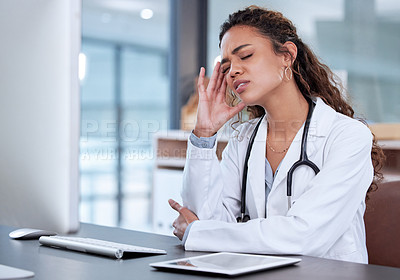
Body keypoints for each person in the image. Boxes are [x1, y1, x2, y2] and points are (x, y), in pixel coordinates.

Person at [168, 5, 384, 263]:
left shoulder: (348, 136)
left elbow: (304, 236)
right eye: (226, 66)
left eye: (245, 56)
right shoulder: (243, 138)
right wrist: (204, 135)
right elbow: (203, 221)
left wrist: (201, 233)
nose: (233, 70)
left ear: (287, 55)